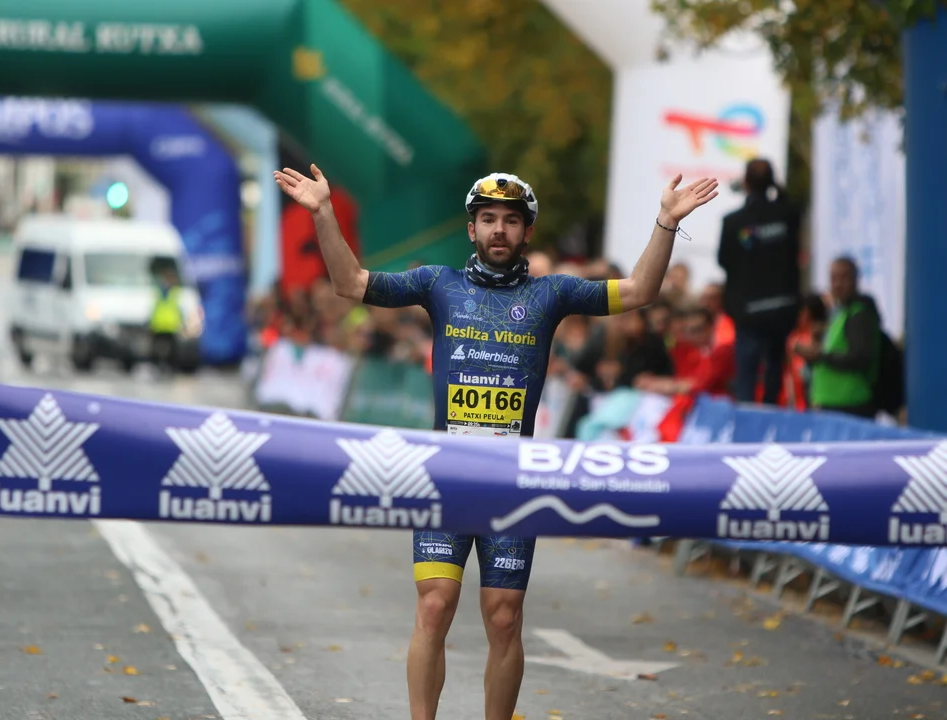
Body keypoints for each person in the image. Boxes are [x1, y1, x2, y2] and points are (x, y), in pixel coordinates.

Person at [274, 163, 718, 720]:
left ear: (527, 231)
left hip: (513, 479)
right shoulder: (438, 284)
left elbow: (639, 291)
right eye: (488, 219)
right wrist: (323, 212)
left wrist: (666, 222)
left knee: (504, 617)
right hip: (446, 474)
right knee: (434, 606)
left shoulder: (551, 293)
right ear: (472, 229)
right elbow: (351, 283)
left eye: (510, 220)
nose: (499, 229)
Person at [718, 158, 801, 406]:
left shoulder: (734, 222)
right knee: (774, 373)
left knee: (747, 378)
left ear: (745, 183)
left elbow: (724, 260)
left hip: (749, 312)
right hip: (782, 309)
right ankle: (770, 415)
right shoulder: (787, 214)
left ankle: (748, 424)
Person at [792, 256, 882, 418]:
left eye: (844, 278)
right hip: (833, 404)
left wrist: (819, 356)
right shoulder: (840, 313)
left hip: (849, 405)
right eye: (833, 279)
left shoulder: (858, 315)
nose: (838, 284)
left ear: (856, 280)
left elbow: (859, 358)